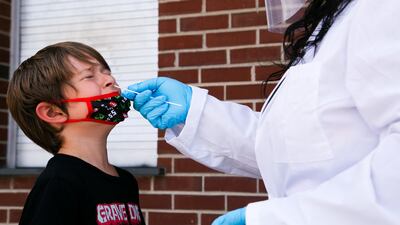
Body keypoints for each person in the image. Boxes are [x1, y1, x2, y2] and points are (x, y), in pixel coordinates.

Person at [121, 0, 400, 224]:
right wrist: (194, 113)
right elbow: (290, 148)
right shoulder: (334, 24)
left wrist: (274, 219)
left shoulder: (381, 10)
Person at [7, 42, 145, 225]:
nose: (110, 79)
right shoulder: (59, 182)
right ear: (54, 112)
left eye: (106, 71)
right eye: (89, 76)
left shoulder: (126, 181)